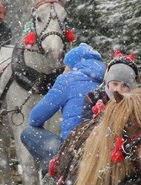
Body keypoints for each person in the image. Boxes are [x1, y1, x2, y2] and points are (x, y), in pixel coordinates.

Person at [20, 43, 105, 172]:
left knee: (28, 132)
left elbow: (35, 118)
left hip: (73, 151)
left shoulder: (67, 80)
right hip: (101, 151)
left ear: (72, 65)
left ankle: (53, 173)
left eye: (66, 66)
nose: (64, 70)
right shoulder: (108, 80)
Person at [80, 52, 138, 121]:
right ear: (107, 82)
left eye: (124, 85)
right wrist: (97, 120)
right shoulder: (93, 98)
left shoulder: (136, 104)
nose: (118, 90)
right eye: (115, 84)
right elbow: (84, 127)